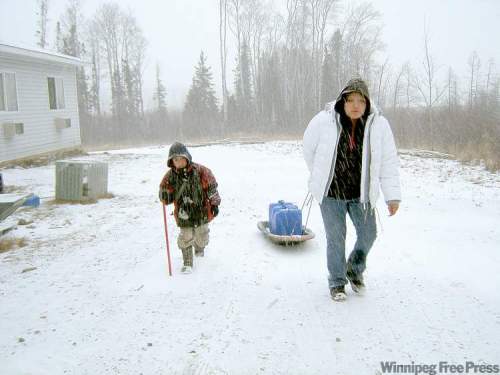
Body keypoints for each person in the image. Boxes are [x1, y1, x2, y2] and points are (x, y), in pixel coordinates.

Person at [303, 78, 401, 301]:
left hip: (361, 194)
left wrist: (392, 196)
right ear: (342, 101)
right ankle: (337, 282)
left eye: (361, 101)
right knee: (336, 238)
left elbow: (388, 161)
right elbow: (308, 150)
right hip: (331, 194)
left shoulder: (379, 126)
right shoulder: (323, 122)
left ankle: (354, 269)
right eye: (351, 100)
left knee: (369, 233)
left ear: (367, 103)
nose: (355, 105)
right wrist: (319, 176)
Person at [159, 142, 221, 274]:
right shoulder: (170, 176)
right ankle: (187, 262)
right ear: (171, 161)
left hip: (201, 210)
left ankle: (199, 249)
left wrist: (214, 204)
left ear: (187, 157)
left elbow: (211, 188)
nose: (179, 162)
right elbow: (165, 194)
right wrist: (164, 195)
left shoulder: (201, 171)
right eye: (176, 159)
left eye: (181, 158)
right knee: (186, 236)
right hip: (183, 213)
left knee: (202, 234)